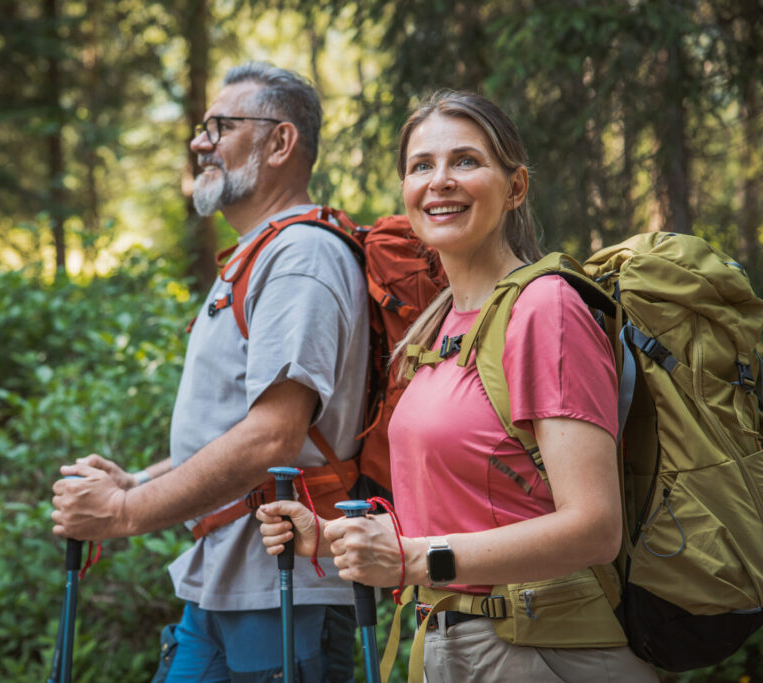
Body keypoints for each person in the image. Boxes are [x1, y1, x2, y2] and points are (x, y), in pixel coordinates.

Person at [257, 90, 659, 682]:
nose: (440, 181)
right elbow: (475, 510)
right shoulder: (437, 324)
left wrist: (414, 558)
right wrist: (332, 538)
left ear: (515, 186)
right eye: (422, 166)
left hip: (542, 651)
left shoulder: (545, 309)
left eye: (466, 161)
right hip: (457, 644)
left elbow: (595, 526)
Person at [51, 62, 368, 682]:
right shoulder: (259, 255)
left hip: (285, 594)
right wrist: (134, 482)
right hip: (226, 586)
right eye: (203, 127)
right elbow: (241, 426)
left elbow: (274, 439)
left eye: (221, 126)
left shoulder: (302, 257)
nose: (201, 141)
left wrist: (122, 515)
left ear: (281, 142)